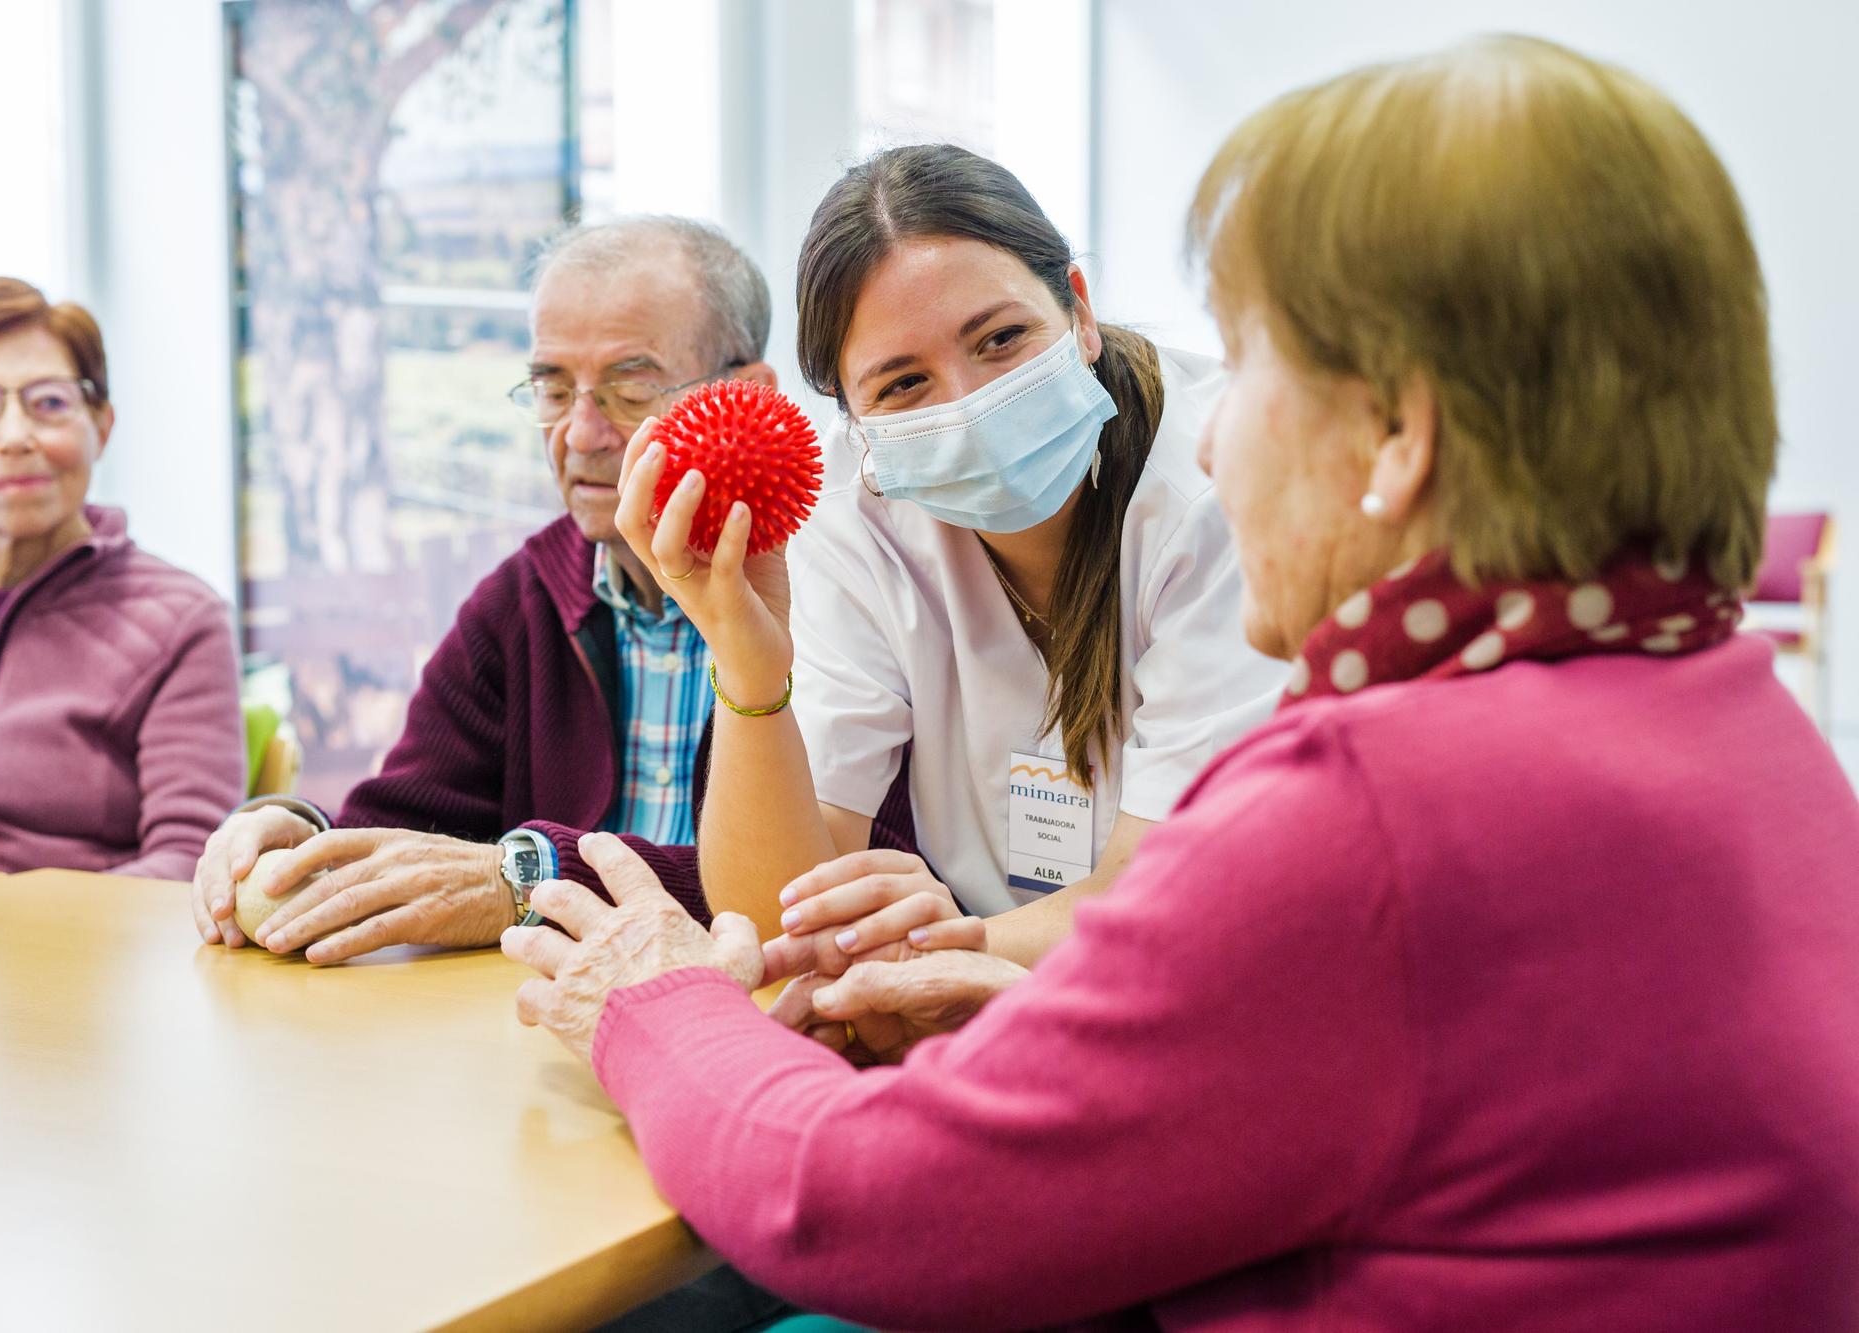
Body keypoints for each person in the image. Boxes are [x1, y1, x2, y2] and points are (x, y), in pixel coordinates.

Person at [503, 36, 1859, 1330]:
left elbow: (842, 1207)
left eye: (1254, 362)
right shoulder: (1748, 723)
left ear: (1401, 433)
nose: (1210, 442)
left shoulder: (1377, 807)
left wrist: (654, 1003)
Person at [615, 145, 1285, 968]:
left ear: (1077, 311)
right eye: (903, 384)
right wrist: (749, 668)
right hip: (1006, 1011)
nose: (969, 407)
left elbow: (1170, 892)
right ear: (854, 419)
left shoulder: (1220, 477)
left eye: (1001, 338)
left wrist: (924, 959)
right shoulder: (854, 515)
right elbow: (775, 910)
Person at [190, 216, 791, 963]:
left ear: (748, 396)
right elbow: (406, 824)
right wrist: (303, 839)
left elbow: (817, 887)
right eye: (552, 389)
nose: (579, 434)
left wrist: (527, 878)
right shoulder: (522, 600)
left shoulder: (842, 598)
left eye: (631, 388)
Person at [0, 278, 243, 878]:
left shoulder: (180, 620)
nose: (16, 438)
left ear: (102, 425)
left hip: (71, 962)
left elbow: (191, 859)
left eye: (50, 404)